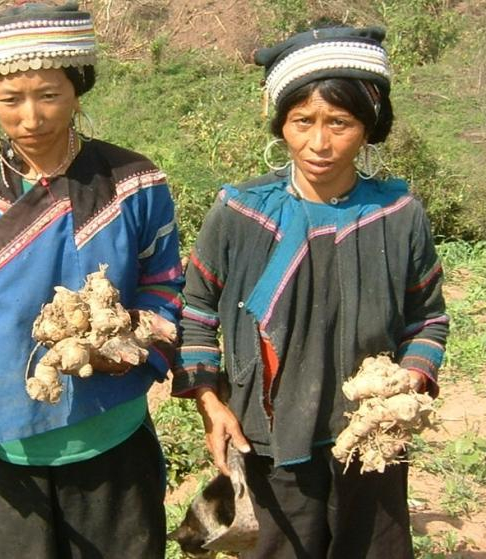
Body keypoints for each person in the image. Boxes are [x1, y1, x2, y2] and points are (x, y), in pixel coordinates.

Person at [0, 3, 183, 557]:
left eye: (49, 95)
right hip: (2, 438)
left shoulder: (134, 181)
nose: (31, 117)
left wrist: (130, 344)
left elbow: (164, 283)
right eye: (10, 99)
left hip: (113, 429)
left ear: (77, 90)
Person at [173, 27, 449, 558]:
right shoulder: (240, 212)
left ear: (368, 128)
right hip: (271, 437)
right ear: (281, 125)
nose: (319, 143)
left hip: (370, 440)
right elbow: (198, 309)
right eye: (302, 122)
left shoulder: (396, 215)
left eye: (339, 124)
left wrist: (405, 382)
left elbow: (427, 318)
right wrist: (212, 402)